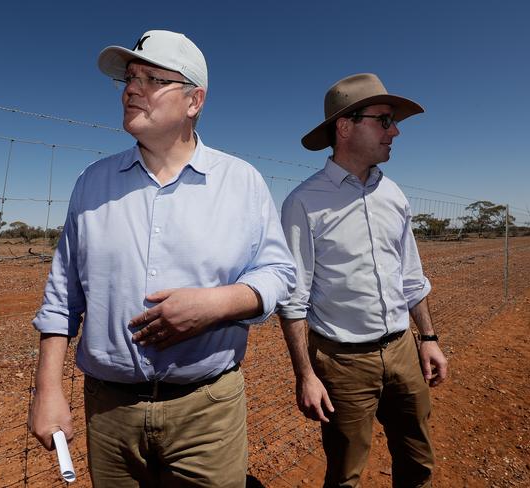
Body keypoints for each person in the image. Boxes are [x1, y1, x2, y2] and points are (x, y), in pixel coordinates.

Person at [28, 29, 296, 488]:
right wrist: (47, 390)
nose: (132, 89)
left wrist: (218, 305)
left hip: (207, 411)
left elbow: (279, 272)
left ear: (194, 101)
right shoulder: (92, 183)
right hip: (109, 413)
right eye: (130, 78)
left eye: (152, 78)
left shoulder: (242, 182)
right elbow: (62, 296)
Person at [278, 73, 448, 487]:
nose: (395, 131)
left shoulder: (394, 195)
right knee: (346, 475)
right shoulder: (303, 202)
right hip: (342, 365)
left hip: (403, 351)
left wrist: (427, 339)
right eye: (384, 120)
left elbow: (410, 276)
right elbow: (294, 300)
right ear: (345, 126)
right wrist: (306, 374)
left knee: (418, 459)